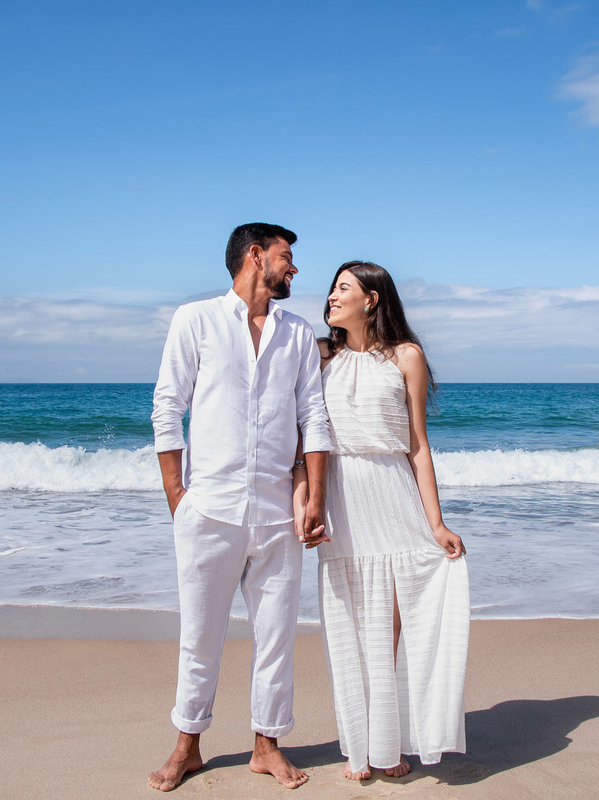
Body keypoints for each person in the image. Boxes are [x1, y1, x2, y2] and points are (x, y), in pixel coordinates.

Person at [149, 223, 332, 791]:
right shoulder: (195, 319)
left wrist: (315, 497)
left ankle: (266, 746)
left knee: (276, 639)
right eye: (286, 256)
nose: (294, 267)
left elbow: (313, 415)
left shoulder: (297, 333)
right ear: (256, 256)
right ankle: (187, 747)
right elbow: (167, 407)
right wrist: (178, 497)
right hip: (209, 511)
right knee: (199, 638)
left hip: (278, 513)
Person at [294, 260, 470, 781]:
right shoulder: (319, 356)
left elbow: (417, 446)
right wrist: (307, 498)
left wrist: (436, 524)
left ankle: (386, 742)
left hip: (392, 496)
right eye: (332, 288)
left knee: (389, 625)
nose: (331, 296)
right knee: (351, 623)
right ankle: (361, 744)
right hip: (341, 497)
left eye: (343, 288)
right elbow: (302, 439)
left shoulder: (406, 356)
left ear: (371, 299)